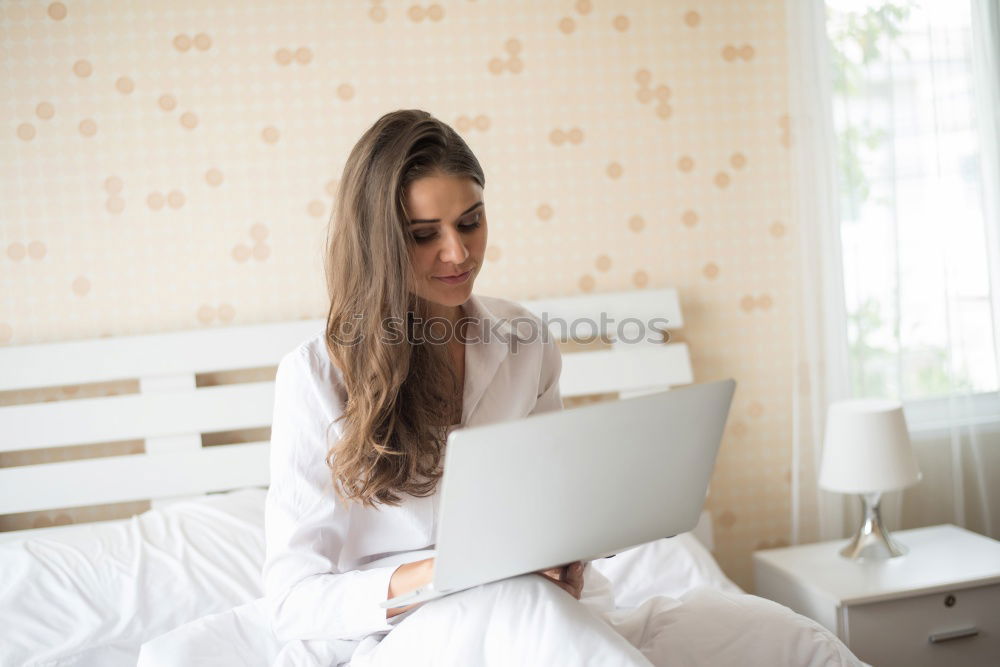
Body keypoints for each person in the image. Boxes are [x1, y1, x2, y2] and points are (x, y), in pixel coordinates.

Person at [138, 110, 865, 666]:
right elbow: (294, 601)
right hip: (407, 638)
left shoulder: (522, 339)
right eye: (425, 234)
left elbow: (550, 509)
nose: (458, 253)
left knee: (785, 638)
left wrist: (569, 557)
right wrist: (449, 572)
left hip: (549, 611)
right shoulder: (316, 375)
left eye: (472, 221)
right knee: (523, 604)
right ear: (381, 242)